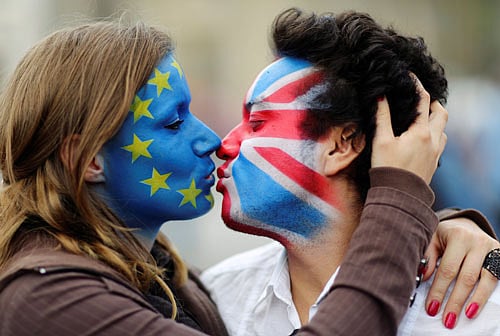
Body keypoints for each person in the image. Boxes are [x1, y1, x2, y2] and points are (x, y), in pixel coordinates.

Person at [0, 15, 494, 336]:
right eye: (173, 122)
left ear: (343, 145)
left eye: (257, 122)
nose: (218, 141)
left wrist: (452, 228)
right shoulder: (47, 298)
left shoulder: (184, 290)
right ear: (88, 161)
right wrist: (399, 205)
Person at [201, 7, 500, 335]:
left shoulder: (485, 318)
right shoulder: (217, 300)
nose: (224, 145)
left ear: (342, 145)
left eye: (257, 123)